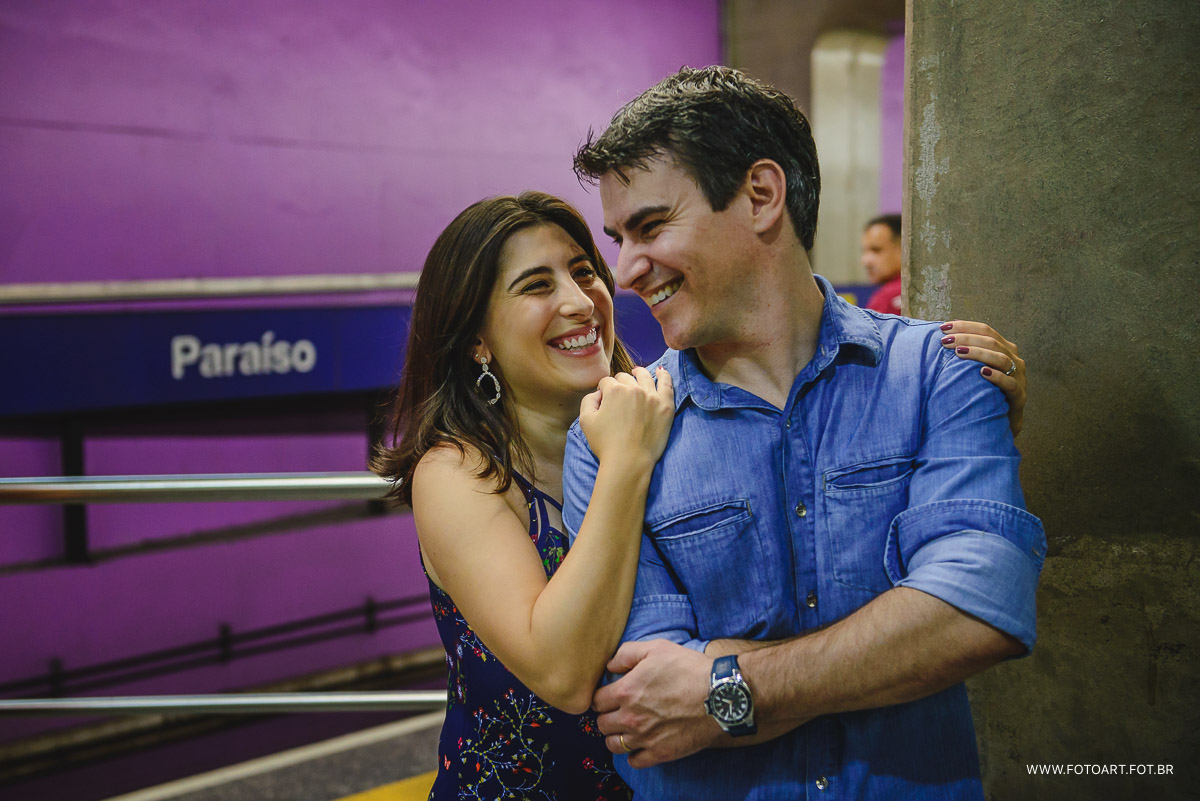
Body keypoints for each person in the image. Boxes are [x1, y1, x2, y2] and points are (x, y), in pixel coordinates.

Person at [563, 66, 1044, 800]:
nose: (624, 270)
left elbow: (980, 605)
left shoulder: (941, 370)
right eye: (618, 237)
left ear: (761, 195)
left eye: (651, 226)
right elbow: (646, 691)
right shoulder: (610, 436)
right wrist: (893, 640)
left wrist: (725, 688)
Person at [372, 191, 675, 800]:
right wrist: (624, 462)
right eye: (537, 286)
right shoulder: (458, 471)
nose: (579, 301)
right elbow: (561, 672)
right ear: (476, 339)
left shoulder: (660, 416)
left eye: (584, 271)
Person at [861, 213, 903, 314]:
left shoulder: (889, 297)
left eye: (876, 250)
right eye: (864, 251)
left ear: (903, 248)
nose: (866, 261)